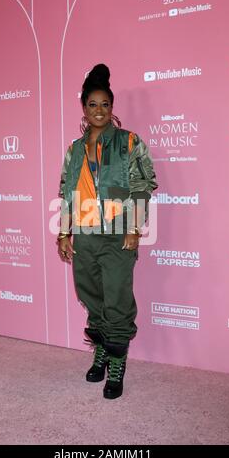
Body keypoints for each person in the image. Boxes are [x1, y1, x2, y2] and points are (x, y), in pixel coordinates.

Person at [58, 64, 158, 399]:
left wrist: (133, 227)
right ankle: (101, 350)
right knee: (92, 296)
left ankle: (117, 365)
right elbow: (67, 192)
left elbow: (143, 186)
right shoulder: (74, 149)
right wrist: (63, 233)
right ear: (83, 109)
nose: (99, 110)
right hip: (84, 234)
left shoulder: (129, 142)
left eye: (105, 104)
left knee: (116, 298)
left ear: (112, 108)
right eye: (92, 105)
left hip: (118, 232)